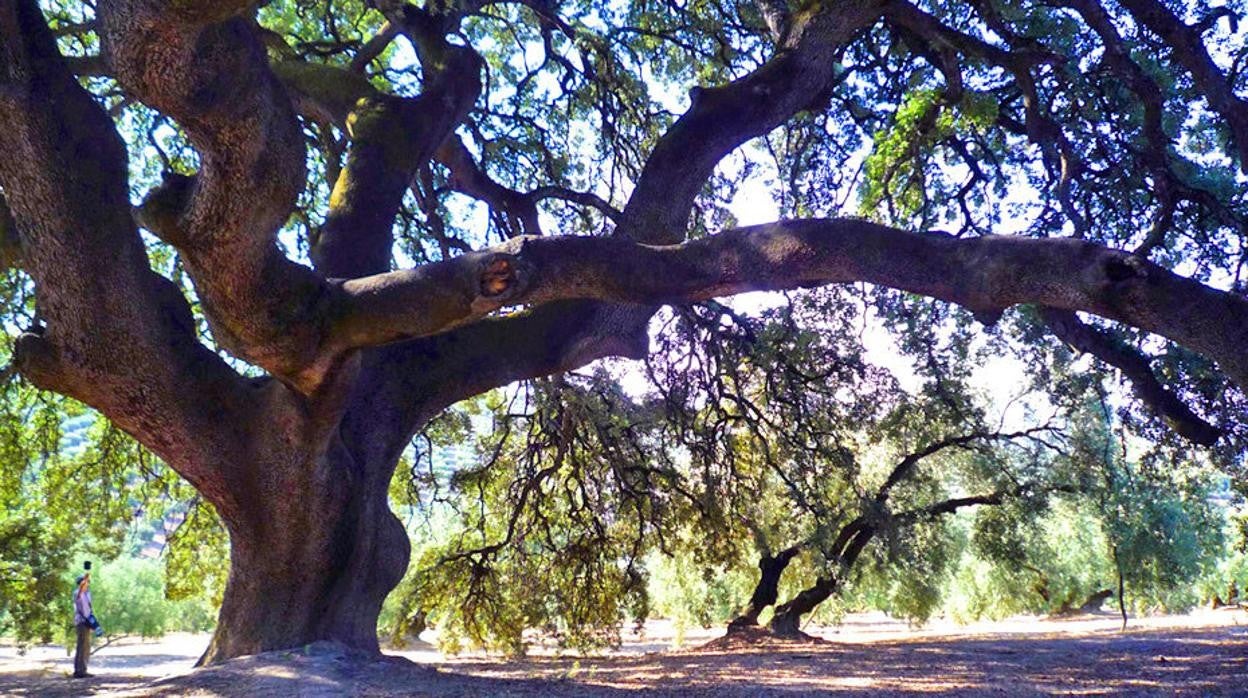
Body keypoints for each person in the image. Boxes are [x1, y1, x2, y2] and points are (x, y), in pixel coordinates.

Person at [72, 570, 97, 678]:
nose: (88, 583)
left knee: (86, 646)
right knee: (82, 646)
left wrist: (93, 623)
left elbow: (89, 609)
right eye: (86, 581)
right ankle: (79, 671)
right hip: (81, 622)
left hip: (87, 622)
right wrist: (87, 575)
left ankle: (82, 669)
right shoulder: (78, 593)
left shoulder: (87, 594)